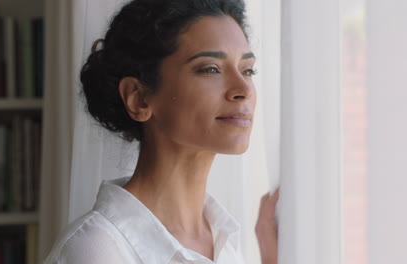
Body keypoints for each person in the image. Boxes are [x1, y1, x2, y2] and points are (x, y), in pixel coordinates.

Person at [44, 0, 279, 263]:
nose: (244, 90)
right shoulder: (95, 252)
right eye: (211, 69)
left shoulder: (226, 246)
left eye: (248, 70)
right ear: (138, 98)